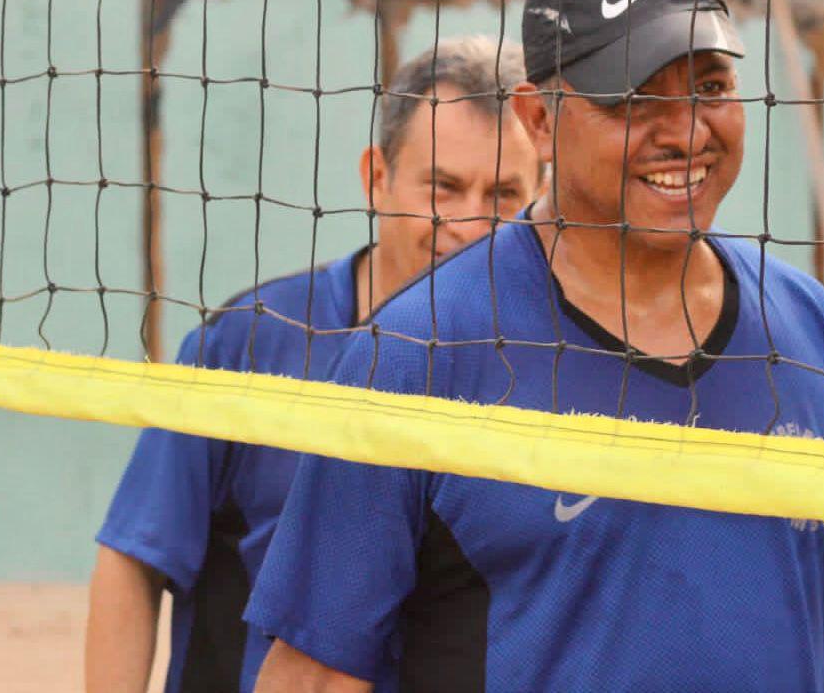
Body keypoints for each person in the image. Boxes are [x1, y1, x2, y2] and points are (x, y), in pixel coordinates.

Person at [246, 0, 824, 693]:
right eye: (634, 98)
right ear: (538, 121)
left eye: (710, 86)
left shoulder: (816, 332)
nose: (684, 132)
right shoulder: (415, 352)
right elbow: (314, 676)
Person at [84, 37, 541, 693]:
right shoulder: (250, 342)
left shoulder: (554, 360)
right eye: (442, 186)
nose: (470, 223)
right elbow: (134, 556)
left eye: (503, 193)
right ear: (376, 177)